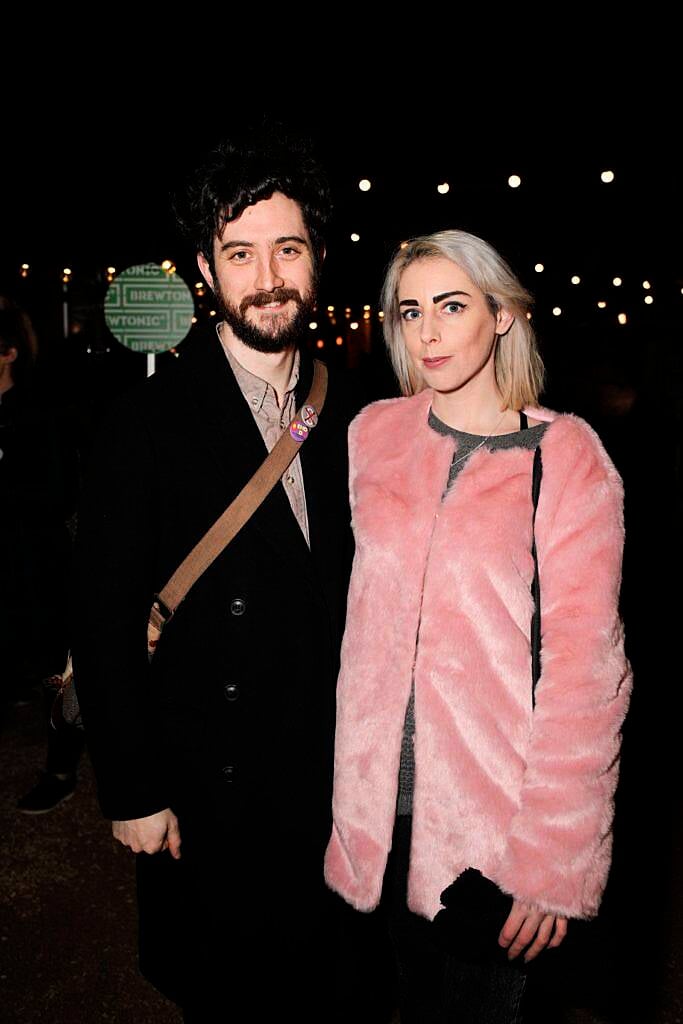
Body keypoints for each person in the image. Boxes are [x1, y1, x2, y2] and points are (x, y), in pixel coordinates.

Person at [73, 129, 353, 1021]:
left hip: (331, 778)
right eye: (240, 252)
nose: (267, 275)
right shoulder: (143, 423)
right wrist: (134, 788)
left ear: (316, 258)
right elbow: (105, 613)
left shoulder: (363, 413)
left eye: (287, 247)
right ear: (205, 268)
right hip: (207, 788)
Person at [324, 230, 632, 1023]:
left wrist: (554, 860)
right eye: (410, 310)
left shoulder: (566, 460)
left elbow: (587, 677)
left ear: (501, 315)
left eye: (451, 306)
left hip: (493, 831)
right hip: (371, 819)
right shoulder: (372, 437)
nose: (426, 332)